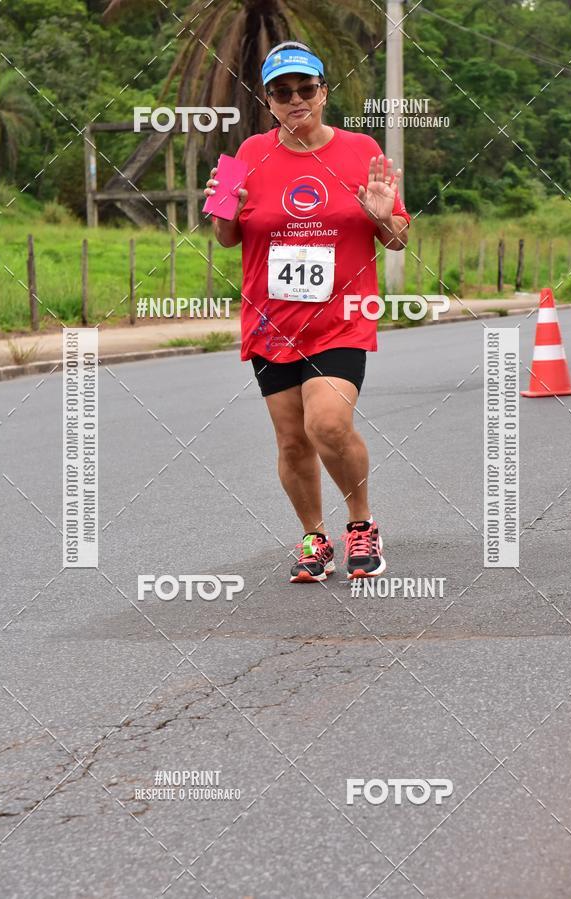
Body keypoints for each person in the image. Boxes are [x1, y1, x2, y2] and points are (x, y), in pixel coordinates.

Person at [204, 41, 410, 583]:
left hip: (342, 318)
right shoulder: (245, 154)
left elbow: (397, 240)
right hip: (271, 323)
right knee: (292, 440)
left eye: (305, 88)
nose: (295, 99)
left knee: (327, 424)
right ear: (268, 101)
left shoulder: (362, 150)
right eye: (282, 92)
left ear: (323, 92)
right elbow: (225, 237)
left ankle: (361, 524)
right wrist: (225, 209)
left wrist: (382, 215)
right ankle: (314, 537)